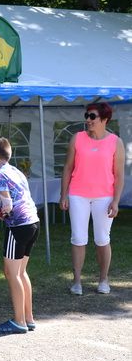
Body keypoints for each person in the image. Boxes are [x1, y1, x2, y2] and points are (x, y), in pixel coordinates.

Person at [59, 103, 124, 295]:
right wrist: (64, 194)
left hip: (105, 196)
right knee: (78, 238)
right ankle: (77, 281)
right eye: (87, 115)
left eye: (92, 116)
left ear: (104, 119)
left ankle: (103, 280)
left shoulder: (115, 142)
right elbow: (68, 168)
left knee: (102, 239)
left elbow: (119, 175)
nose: (88, 120)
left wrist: (116, 201)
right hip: (78, 194)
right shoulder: (77, 138)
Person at [0, 137, 40, 334]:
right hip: (33, 222)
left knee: (11, 273)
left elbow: (7, 204)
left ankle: (18, 322)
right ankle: (28, 318)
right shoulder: (15, 170)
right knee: (21, 272)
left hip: (18, 226)